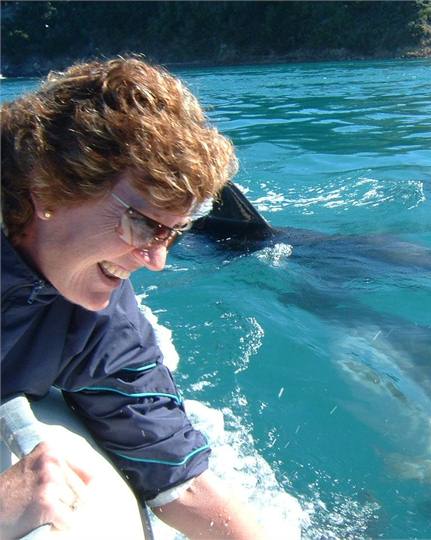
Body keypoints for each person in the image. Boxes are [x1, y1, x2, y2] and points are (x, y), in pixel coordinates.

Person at [0, 57, 265, 539]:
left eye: (174, 234)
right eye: (144, 225)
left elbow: (176, 474)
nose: (156, 260)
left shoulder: (93, 308)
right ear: (46, 189)